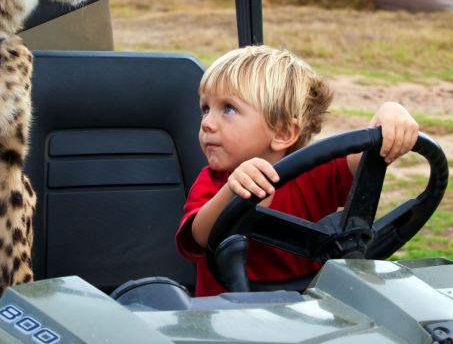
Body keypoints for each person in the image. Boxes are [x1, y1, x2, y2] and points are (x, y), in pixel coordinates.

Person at [175, 46, 419, 297]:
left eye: (228, 109)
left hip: (308, 311)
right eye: (205, 108)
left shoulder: (314, 173)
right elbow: (200, 236)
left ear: (282, 133)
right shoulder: (216, 182)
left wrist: (391, 115)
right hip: (228, 316)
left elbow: (368, 159)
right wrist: (232, 193)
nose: (207, 123)